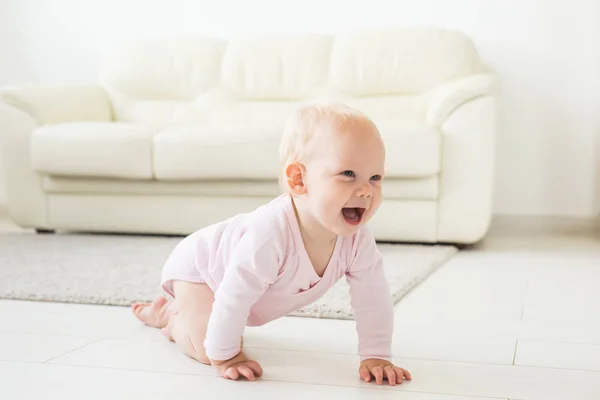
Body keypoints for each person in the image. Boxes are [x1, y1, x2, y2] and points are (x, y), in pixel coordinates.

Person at [132, 102, 412, 386]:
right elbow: (234, 295)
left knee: (224, 331)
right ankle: (172, 316)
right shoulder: (271, 234)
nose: (366, 191)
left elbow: (372, 297)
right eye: (348, 174)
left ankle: (186, 316)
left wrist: (376, 355)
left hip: (232, 284)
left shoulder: (357, 240)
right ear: (299, 179)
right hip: (202, 269)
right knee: (208, 348)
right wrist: (227, 356)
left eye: (375, 178)